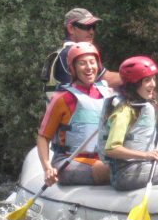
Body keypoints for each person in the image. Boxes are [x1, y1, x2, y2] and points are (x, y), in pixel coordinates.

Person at [35, 42, 112, 186]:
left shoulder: (108, 94)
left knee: (122, 166)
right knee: (110, 170)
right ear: (73, 68)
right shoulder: (62, 98)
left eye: (92, 62)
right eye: (82, 63)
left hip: (101, 159)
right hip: (68, 162)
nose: (89, 67)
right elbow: (43, 137)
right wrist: (47, 168)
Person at [98, 55, 158, 191]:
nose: (153, 84)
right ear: (134, 83)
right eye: (147, 80)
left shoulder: (143, 105)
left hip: (141, 164)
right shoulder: (124, 110)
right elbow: (111, 149)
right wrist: (146, 155)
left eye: (153, 78)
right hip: (125, 173)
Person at [41, 8, 121, 103]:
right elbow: (108, 79)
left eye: (93, 27)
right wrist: (137, 76)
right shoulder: (72, 53)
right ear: (71, 28)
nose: (91, 32)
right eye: (86, 27)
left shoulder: (61, 53)